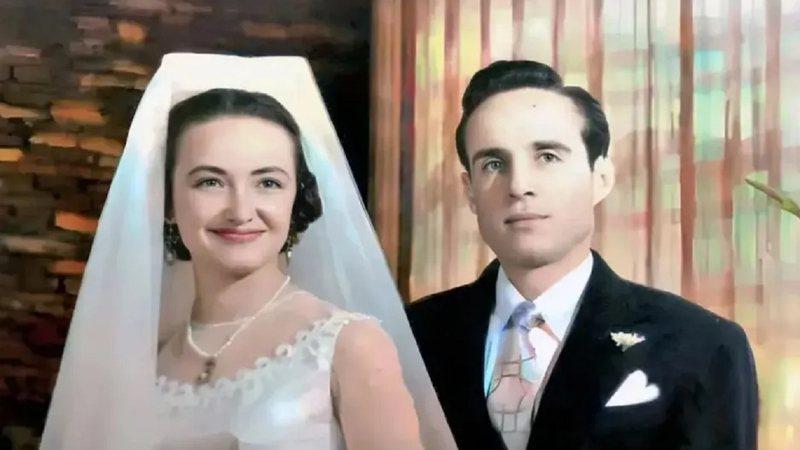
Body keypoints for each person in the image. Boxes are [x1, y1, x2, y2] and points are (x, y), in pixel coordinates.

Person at [41, 54, 455, 450]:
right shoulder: (145, 360)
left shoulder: (349, 345)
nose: (241, 211)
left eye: (268, 183)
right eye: (210, 182)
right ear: (167, 201)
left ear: (297, 197)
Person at [407, 60, 759, 450]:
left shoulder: (700, 342)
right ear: (470, 191)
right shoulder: (412, 334)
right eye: (493, 164)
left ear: (601, 177)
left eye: (548, 157)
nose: (519, 186)